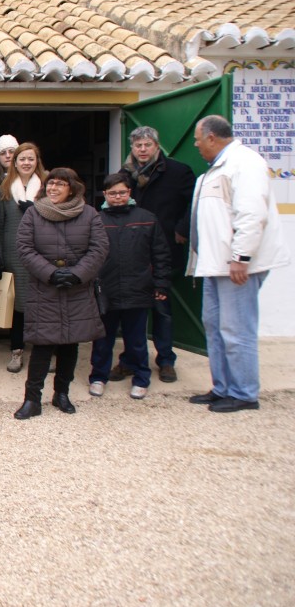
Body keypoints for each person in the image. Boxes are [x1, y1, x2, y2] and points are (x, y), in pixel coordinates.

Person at [187, 115, 290, 413]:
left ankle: (244, 392)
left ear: (211, 137)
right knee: (215, 327)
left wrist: (241, 257)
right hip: (215, 265)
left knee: (236, 329)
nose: (195, 144)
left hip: (236, 266)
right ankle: (222, 388)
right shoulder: (217, 167)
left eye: (197, 139)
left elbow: (251, 213)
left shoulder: (246, 163)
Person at [13, 167, 109, 420]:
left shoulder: (89, 214)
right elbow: (24, 248)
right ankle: (32, 399)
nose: (54, 188)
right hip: (44, 289)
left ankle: (62, 394)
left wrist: (78, 273)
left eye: (60, 184)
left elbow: (99, 248)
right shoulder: (33, 214)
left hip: (77, 289)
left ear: (72, 188)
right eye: (50, 183)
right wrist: (50, 273)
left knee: (70, 344)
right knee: (42, 345)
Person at [112, 125, 196, 384]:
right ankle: (129, 360)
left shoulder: (178, 172)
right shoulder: (124, 175)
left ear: (157, 146)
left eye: (147, 144)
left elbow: (194, 202)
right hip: (131, 253)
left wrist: (182, 229)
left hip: (164, 249)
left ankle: (166, 360)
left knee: (162, 308)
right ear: (132, 148)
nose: (143, 149)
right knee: (130, 311)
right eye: (138, 145)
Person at [87, 173, 171, 400]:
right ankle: (98, 377)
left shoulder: (146, 218)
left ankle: (142, 378)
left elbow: (160, 255)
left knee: (136, 340)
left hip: (138, 289)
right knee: (103, 339)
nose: (117, 197)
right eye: (112, 193)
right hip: (107, 290)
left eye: (122, 192)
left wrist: (161, 283)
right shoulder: (96, 219)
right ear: (105, 194)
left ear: (129, 193)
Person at [0, 143, 48, 373]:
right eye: (22, 159)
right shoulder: (4, 190)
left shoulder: (47, 188)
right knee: (18, 304)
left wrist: (38, 210)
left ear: (37, 161)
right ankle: (17, 350)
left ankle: (43, 350)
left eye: (31, 158)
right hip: (13, 253)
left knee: (43, 302)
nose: (26, 162)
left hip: (42, 253)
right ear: (14, 162)